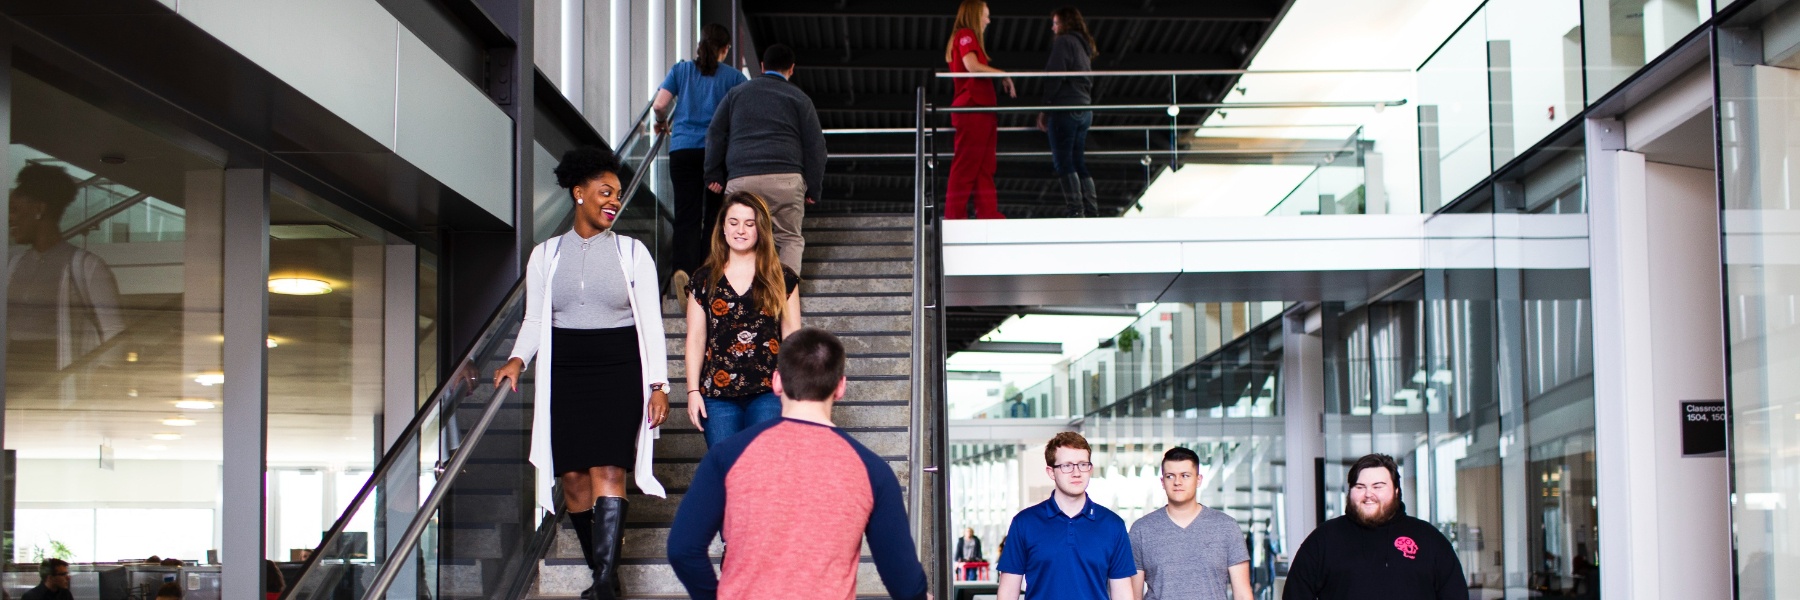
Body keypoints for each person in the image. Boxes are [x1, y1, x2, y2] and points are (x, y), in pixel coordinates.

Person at [494, 145, 672, 600]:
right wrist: (518, 359)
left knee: (609, 468)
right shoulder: (546, 255)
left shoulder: (633, 253)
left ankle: (604, 585)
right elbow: (536, 319)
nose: (613, 201)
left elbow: (651, 323)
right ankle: (606, 578)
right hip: (565, 368)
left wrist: (658, 384)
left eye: (617, 195)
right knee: (572, 477)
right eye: (604, 192)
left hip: (619, 365)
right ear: (578, 192)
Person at [667, 327, 928, 600]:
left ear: (777, 382)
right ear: (840, 387)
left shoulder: (727, 455)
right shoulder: (872, 470)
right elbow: (906, 584)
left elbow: (683, 549)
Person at [684, 191, 802, 447]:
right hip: (717, 395)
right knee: (728, 471)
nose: (741, 230)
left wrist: (793, 388)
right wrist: (693, 391)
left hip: (769, 391)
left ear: (761, 230)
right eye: (734, 222)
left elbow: (793, 335)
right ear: (723, 228)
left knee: (762, 468)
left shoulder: (781, 277)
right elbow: (695, 338)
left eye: (750, 224)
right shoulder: (703, 279)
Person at [704, 43, 826, 275]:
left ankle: (740, 295)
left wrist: (713, 174)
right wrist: (814, 188)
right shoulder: (800, 98)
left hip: (742, 178)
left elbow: (715, 133)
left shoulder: (736, 94)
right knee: (789, 238)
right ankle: (784, 302)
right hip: (786, 179)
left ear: (762, 66)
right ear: (791, 69)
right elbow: (816, 146)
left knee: (741, 235)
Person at [6, 163, 124, 395]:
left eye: (15, 210)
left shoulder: (87, 267)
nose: (10, 219)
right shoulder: (10, 264)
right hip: (12, 380)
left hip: (55, 382)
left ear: (39, 209)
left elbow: (115, 332)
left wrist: (103, 377)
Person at [1283, 453, 1468, 600]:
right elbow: (1296, 594)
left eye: (1378, 486)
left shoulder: (1428, 539)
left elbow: (1455, 595)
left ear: (1396, 491)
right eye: (1360, 486)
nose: (1368, 494)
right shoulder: (1323, 539)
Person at [655, 23, 748, 303]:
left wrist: (662, 124)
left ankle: (682, 272)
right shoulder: (733, 78)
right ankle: (707, 277)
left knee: (686, 216)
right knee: (715, 218)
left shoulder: (680, 70)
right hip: (715, 155)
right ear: (725, 49)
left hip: (682, 150)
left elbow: (660, 105)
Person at [996, 432, 1135, 600]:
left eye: (1083, 464)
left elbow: (1122, 594)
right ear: (1051, 472)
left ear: (1090, 468)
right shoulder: (1024, 523)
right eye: (1067, 466)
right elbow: (1008, 592)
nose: (1076, 473)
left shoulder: (1113, 525)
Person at [1128, 447, 1251, 600]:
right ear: (1162, 481)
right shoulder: (1141, 530)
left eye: (1185, 476)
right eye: (1170, 476)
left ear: (1198, 480)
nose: (1177, 482)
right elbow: (1132, 595)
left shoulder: (1227, 527)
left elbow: (1243, 594)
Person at [944, 0, 1015, 220]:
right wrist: (1001, 73)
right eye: (985, 15)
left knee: (984, 166)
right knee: (967, 164)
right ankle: (955, 215)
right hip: (972, 108)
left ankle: (987, 213)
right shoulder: (966, 34)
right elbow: (971, 65)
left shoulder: (967, 37)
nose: (988, 20)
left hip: (982, 109)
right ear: (975, 15)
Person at [1038, 7, 1099, 218]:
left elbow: (1055, 75)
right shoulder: (1084, 47)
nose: (1053, 27)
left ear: (1065, 23)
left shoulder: (1064, 42)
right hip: (1084, 109)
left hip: (1065, 107)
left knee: (1063, 161)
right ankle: (1090, 209)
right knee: (1078, 161)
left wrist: (1046, 108)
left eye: (1055, 23)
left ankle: (1075, 209)